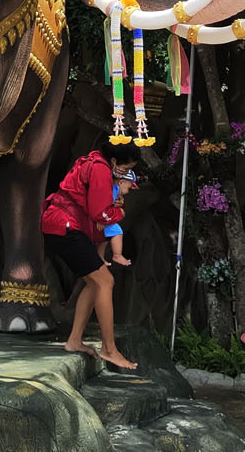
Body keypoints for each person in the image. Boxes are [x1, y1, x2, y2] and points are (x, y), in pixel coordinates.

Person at [41, 141, 139, 371]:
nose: (124, 173)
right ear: (113, 161)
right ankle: (109, 349)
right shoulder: (100, 169)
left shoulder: (96, 161)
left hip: (61, 225)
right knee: (106, 282)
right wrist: (119, 212)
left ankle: (75, 341)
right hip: (65, 228)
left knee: (95, 283)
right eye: (125, 168)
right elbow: (99, 213)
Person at [97, 169, 138, 268]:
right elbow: (102, 204)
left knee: (106, 237)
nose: (128, 192)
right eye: (128, 188)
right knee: (117, 231)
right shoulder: (113, 191)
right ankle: (117, 255)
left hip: (104, 217)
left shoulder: (115, 191)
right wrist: (100, 219)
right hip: (103, 217)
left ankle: (100, 257)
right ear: (121, 182)